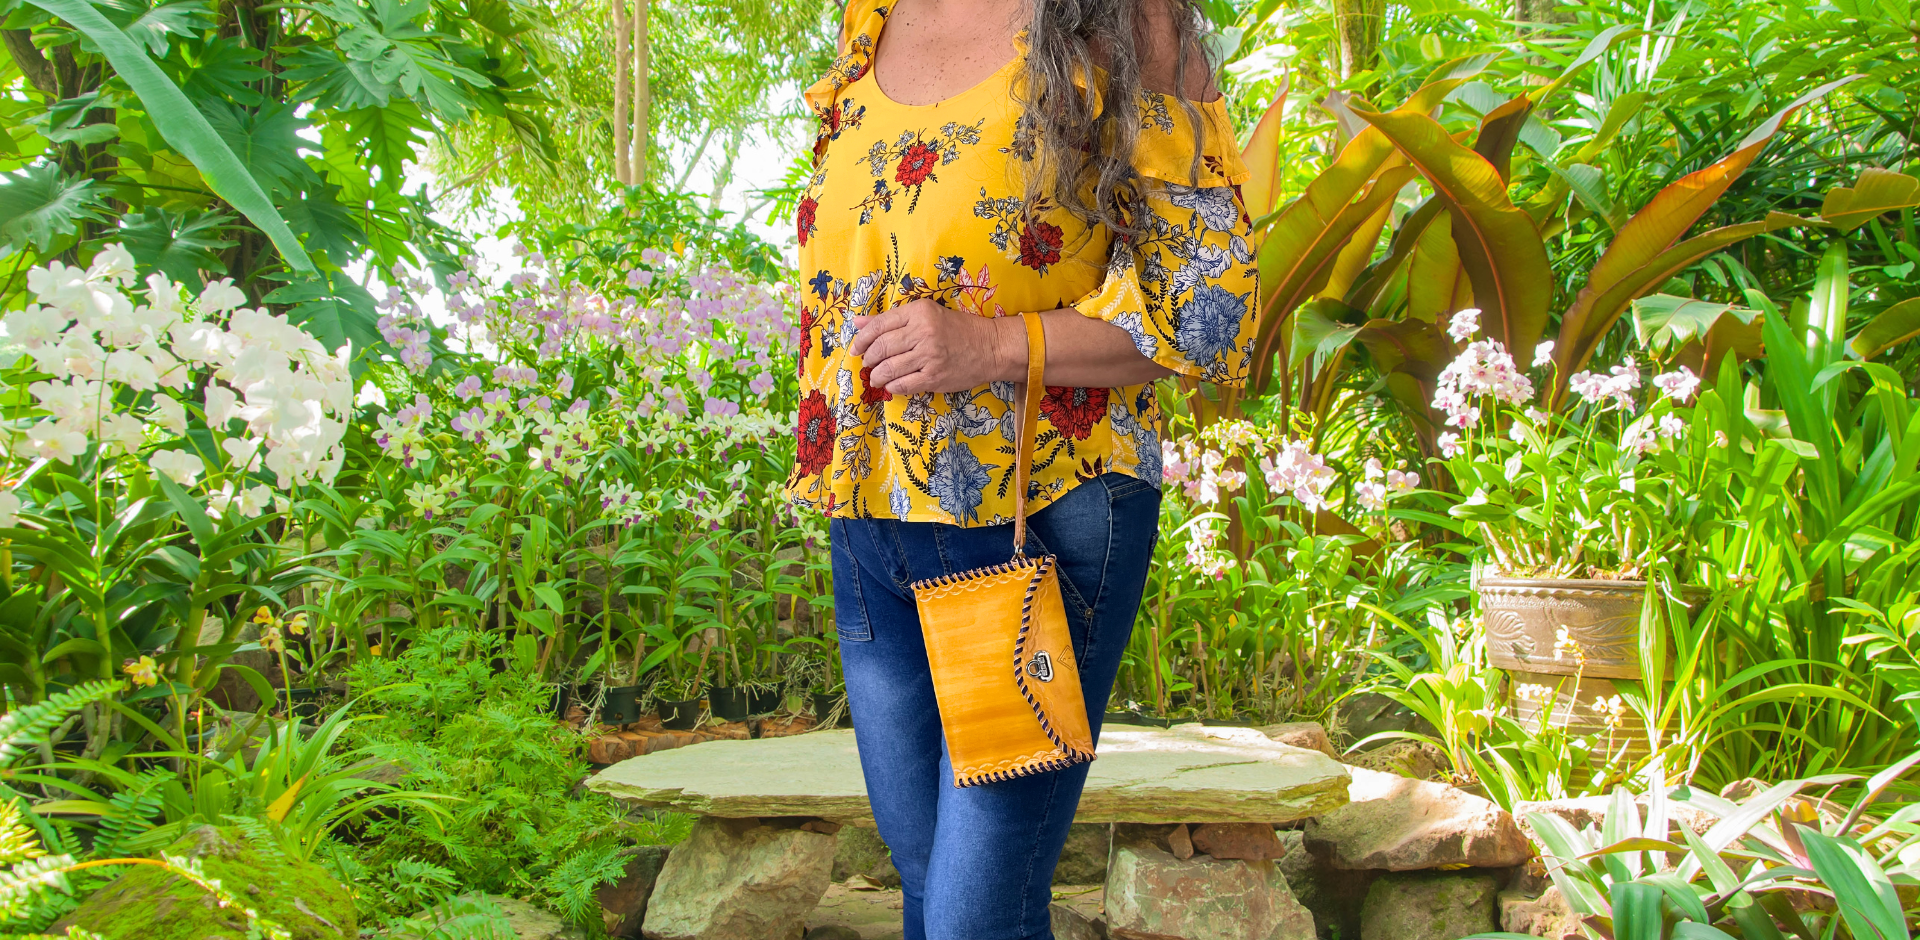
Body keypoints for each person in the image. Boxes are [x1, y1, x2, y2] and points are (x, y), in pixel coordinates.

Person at [786, 0, 1258, 933]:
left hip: (1038, 513)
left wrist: (989, 345)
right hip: (874, 521)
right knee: (929, 889)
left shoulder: (1126, 22)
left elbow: (1206, 310)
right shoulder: (874, 22)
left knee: (973, 918)